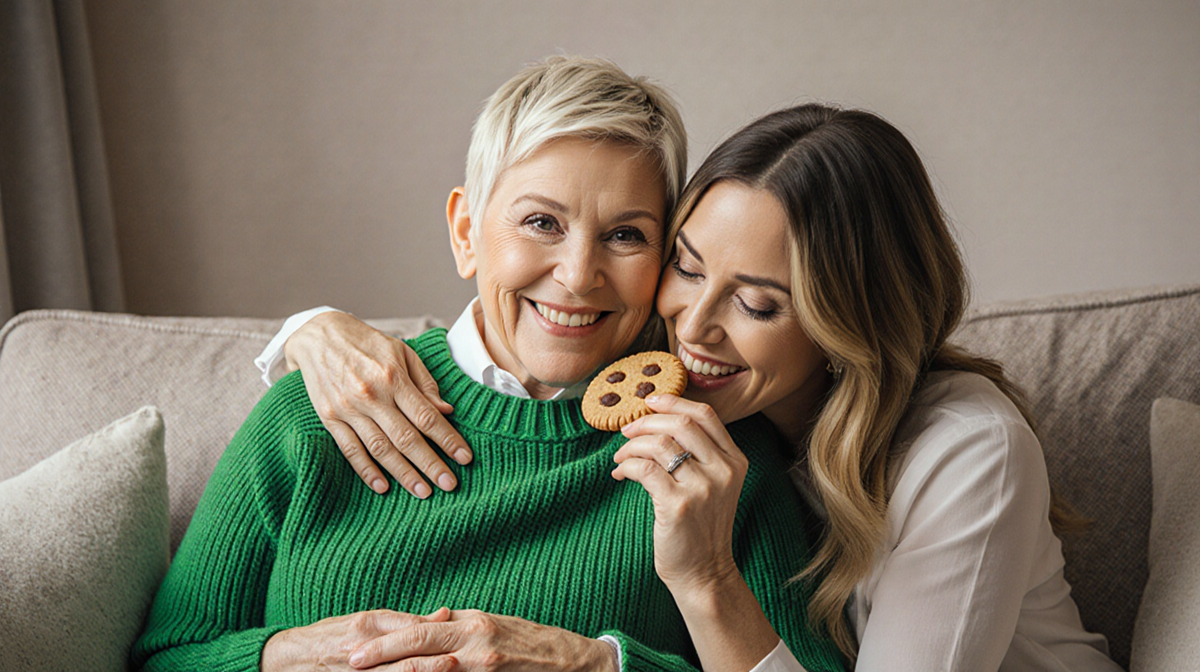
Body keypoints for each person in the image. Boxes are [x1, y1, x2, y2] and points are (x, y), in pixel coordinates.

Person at [269, 104, 1123, 671]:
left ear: (849, 321)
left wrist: (671, 605)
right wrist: (311, 328)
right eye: (684, 265)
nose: (693, 327)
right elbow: (523, 322)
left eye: (757, 303)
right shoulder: (687, 376)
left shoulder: (966, 452)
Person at [132, 56, 846, 672]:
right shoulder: (314, 414)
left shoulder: (713, 457)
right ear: (467, 232)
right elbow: (165, 656)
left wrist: (602, 663)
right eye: (541, 222)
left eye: (626, 234)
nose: (577, 274)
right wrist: (290, 655)